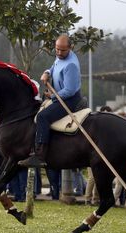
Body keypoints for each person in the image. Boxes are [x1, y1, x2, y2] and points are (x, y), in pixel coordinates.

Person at [19, 34, 82, 168]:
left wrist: (52, 96)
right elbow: (53, 66)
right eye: (57, 49)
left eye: (62, 50)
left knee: (42, 117)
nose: (59, 53)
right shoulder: (60, 57)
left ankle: (40, 156)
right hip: (58, 95)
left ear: (70, 48)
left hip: (69, 99)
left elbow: (70, 90)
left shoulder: (71, 65)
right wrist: (47, 72)